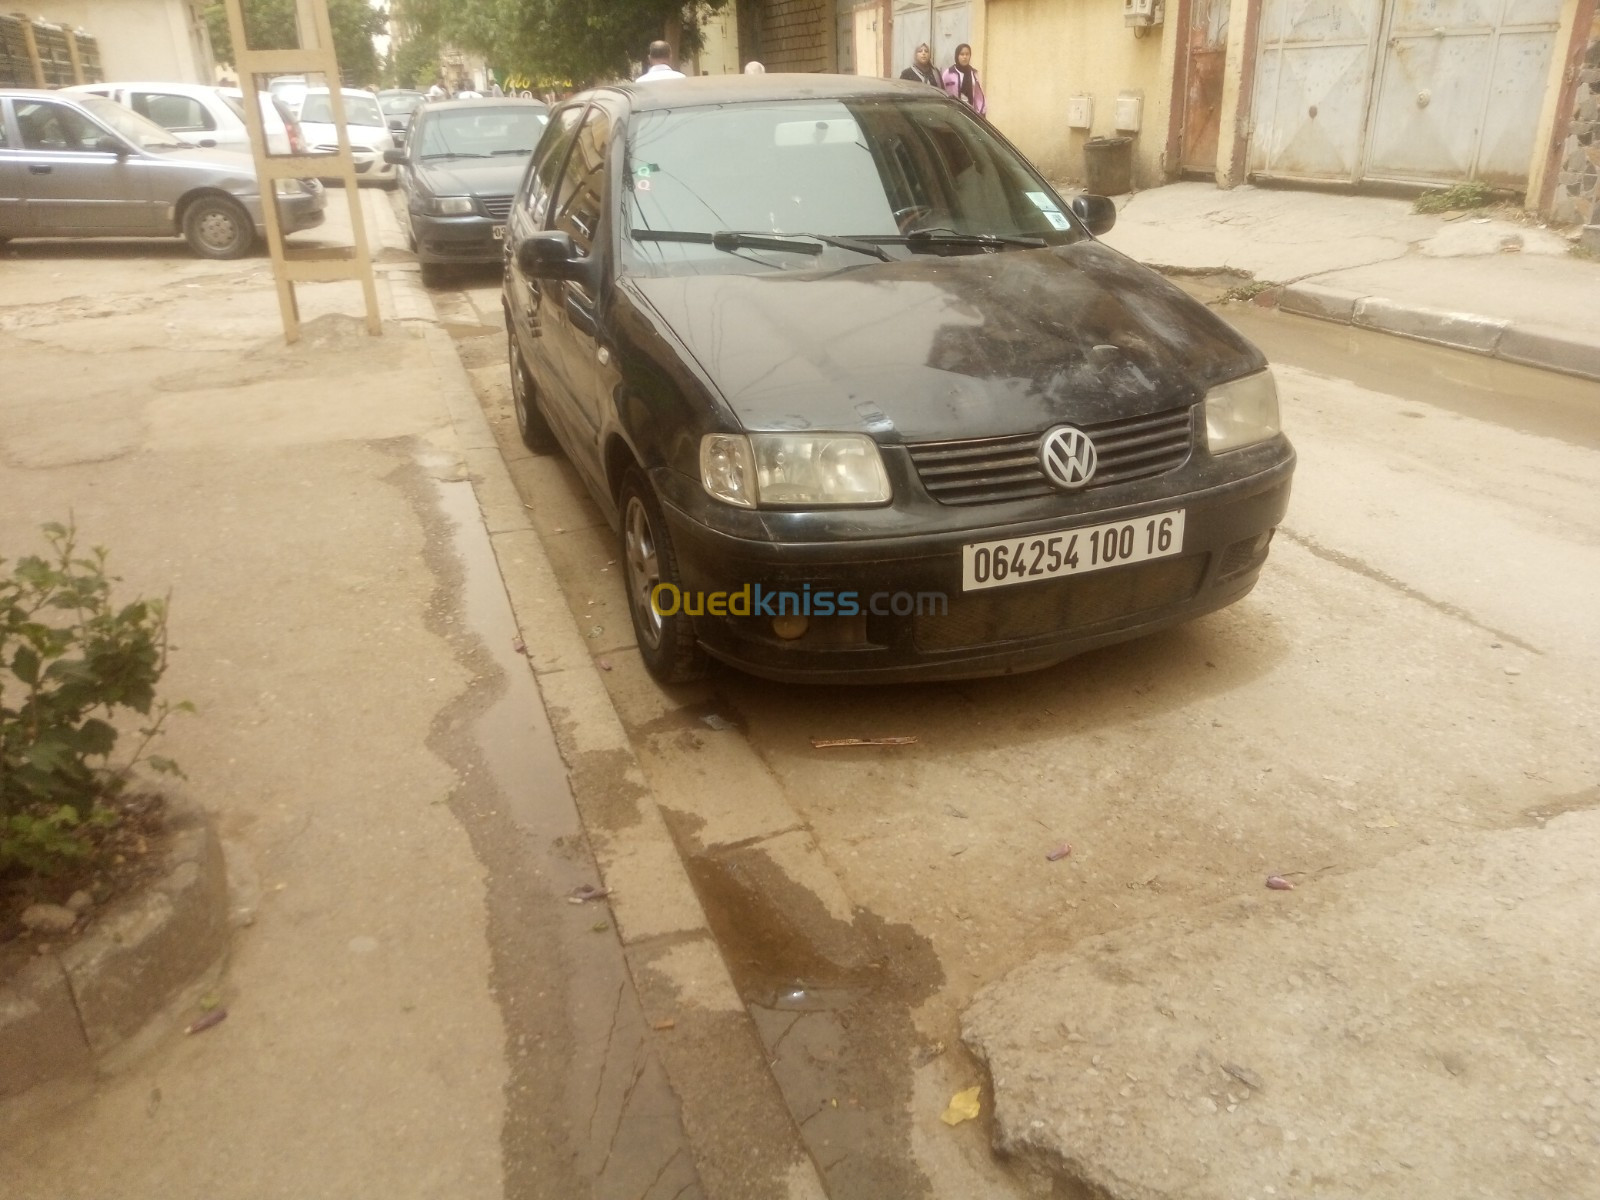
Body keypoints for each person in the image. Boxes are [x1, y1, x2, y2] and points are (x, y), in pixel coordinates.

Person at [941, 43, 986, 116]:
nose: (965, 57)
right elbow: (942, 92)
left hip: (970, 113)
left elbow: (979, 95)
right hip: (953, 112)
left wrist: (982, 112)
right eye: (962, 54)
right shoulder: (948, 73)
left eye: (967, 54)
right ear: (957, 56)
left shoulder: (974, 73)